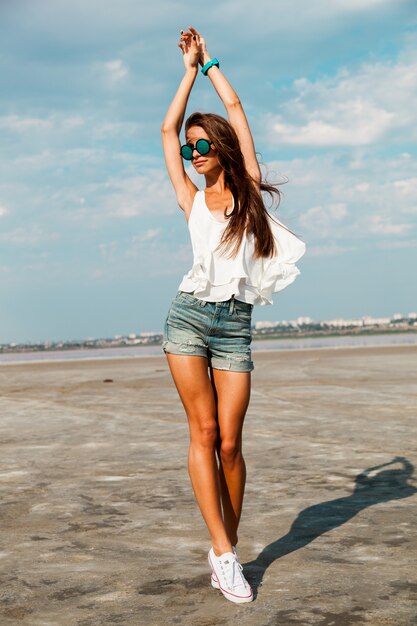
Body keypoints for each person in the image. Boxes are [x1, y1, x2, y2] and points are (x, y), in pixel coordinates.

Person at [161, 26, 306, 604]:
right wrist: (186, 71)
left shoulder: (244, 188)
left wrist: (211, 61)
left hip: (236, 326)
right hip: (189, 318)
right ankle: (223, 555)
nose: (193, 154)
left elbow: (238, 108)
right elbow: (166, 129)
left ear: (220, 148)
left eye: (202, 146)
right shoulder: (189, 198)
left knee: (231, 445)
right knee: (202, 432)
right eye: (189, 149)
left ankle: (229, 543)